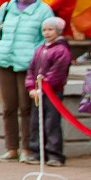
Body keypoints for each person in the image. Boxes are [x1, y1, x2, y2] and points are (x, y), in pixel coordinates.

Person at [0, 0, 58, 160]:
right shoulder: (6, 8)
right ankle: (11, 148)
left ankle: (27, 148)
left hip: (28, 65)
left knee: (26, 107)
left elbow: (48, 37)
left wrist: (34, 55)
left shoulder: (44, 10)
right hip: (4, 62)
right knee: (8, 107)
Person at [25, 16, 75, 165]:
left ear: (58, 31)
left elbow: (57, 72)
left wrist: (44, 86)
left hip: (53, 92)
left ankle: (55, 154)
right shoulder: (40, 49)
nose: (46, 33)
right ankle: (36, 151)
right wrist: (31, 86)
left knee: (51, 122)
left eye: (50, 29)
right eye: (44, 30)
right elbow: (31, 70)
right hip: (37, 92)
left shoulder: (62, 50)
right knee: (35, 122)